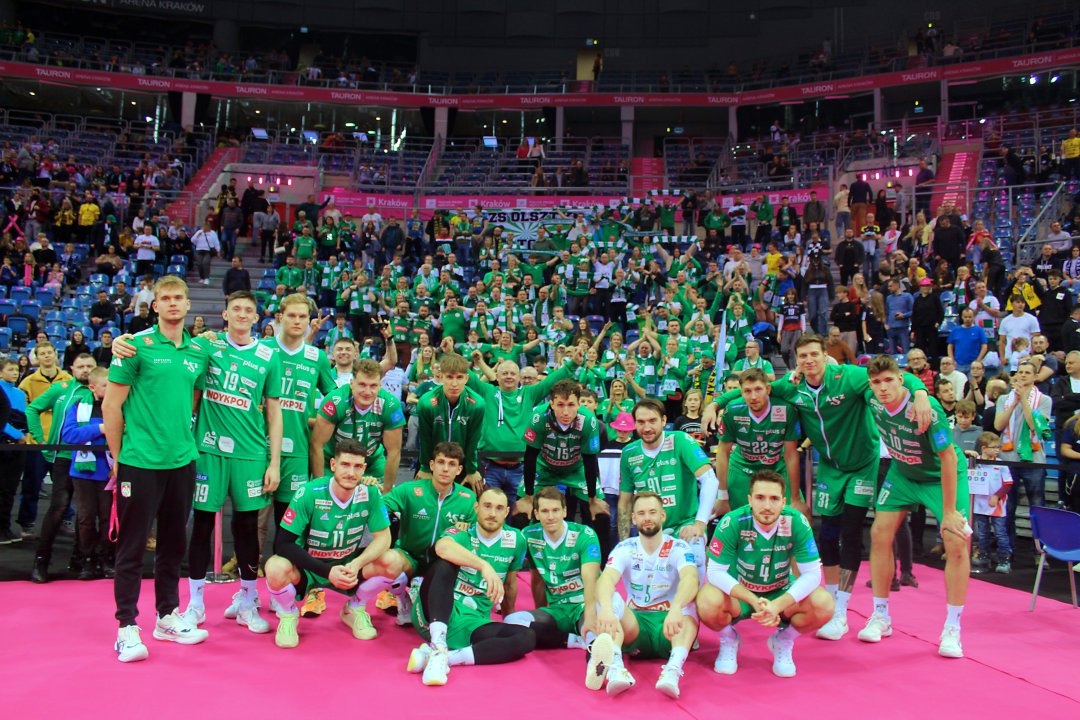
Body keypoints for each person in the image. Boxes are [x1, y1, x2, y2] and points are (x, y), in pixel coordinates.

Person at [702, 334, 933, 642]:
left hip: (862, 462)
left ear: (826, 355)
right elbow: (755, 388)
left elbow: (893, 376)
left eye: (814, 354)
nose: (809, 360)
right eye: (803, 356)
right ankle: (831, 605)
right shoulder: (792, 386)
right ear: (797, 361)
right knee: (827, 534)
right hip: (829, 465)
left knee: (852, 531)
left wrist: (920, 393)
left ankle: (843, 610)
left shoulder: (849, 376)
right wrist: (715, 403)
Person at [104, 276, 211, 662]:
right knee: (132, 546)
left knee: (173, 543)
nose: (172, 303)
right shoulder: (134, 346)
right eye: (165, 298)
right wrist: (119, 458)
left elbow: (193, 398)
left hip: (182, 461)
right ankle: (126, 626)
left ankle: (166, 616)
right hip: (139, 463)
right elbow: (111, 406)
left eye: (178, 297)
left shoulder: (198, 351)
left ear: (188, 304)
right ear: (155, 305)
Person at [859, 354, 970, 658]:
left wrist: (949, 512)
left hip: (939, 476)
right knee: (879, 533)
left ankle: (952, 627)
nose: (883, 387)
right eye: (876, 382)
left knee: (956, 542)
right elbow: (839, 372)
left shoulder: (927, 409)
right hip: (903, 473)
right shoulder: (871, 398)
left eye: (889, 380)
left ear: (900, 380)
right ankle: (881, 616)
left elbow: (948, 458)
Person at [696, 470, 833, 678]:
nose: (767, 506)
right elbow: (714, 572)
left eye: (774, 499)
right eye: (760, 498)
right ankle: (729, 639)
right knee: (706, 601)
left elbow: (813, 574)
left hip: (780, 591)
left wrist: (778, 604)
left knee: (824, 604)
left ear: (783, 502)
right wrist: (753, 600)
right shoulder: (732, 521)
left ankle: (783, 641)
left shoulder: (797, 521)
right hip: (740, 595)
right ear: (750, 500)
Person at [263, 440, 392, 648]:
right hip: (309, 568)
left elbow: (384, 538)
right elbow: (282, 544)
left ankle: (354, 609)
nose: (351, 472)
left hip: (349, 567)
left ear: (364, 469)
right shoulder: (309, 492)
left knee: (393, 561)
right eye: (345, 465)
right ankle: (288, 615)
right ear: (333, 464)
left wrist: (357, 564)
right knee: (274, 567)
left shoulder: (370, 492)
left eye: (357, 466)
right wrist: (326, 571)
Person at [405, 487, 534, 686]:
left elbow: (510, 584)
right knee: (444, 563)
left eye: (499, 508)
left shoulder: (516, 540)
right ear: (476, 508)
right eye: (487, 506)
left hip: (472, 622)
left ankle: (443, 657)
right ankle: (438, 642)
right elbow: (442, 547)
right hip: (435, 613)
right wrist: (484, 565)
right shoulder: (461, 532)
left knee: (526, 637)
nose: (492, 513)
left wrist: (508, 617)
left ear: (507, 512)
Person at [594, 492, 700, 699]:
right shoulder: (625, 548)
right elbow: (605, 579)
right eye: (641, 513)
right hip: (635, 626)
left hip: (669, 626)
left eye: (652, 512)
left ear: (663, 515)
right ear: (634, 518)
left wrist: (676, 608)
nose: (647, 518)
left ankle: (672, 671)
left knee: (691, 603)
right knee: (607, 598)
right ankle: (616, 669)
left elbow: (691, 578)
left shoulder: (679, 547)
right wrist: (606, 609)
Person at [362, 442, 477, 628]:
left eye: (452, 464)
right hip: (410, 558)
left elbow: (476, 536)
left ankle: (427, 595)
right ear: (432, 465)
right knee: (387, 559)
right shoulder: (410, 490)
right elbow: (379, 507)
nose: (445, 469)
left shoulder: (468, 499)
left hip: (442, 565)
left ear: (459, 470)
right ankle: (403, 599)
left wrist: (466, 530)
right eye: (441, 462)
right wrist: (370, 490)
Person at [504, 487, 604, 677]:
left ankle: (596, 665)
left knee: (593, 630)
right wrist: (541, 616)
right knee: (511, 621)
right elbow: (536, 578)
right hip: (558, 610)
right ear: (536, 514)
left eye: (555, 510)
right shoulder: (529, 535)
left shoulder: (585, 534)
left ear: (565, 511)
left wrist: (590, 616)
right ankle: (575, 640)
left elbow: (591, 581)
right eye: (545, 511)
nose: (550, 517)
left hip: (585, 605)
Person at [617, 398, 717, 578]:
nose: (647, 428)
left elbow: (710, 480)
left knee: (695, 558)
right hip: (649, 529)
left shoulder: (680, 440)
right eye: (641, 422)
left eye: (652, 421)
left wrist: (699, 524)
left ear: (664, 421)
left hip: (684, 526)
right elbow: (625, 502)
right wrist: (624, 542)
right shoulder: (628, 453)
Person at [467, 349, 577, 507]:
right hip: (490, 466)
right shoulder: (487, 391)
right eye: (504, 373)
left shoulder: (529, 394)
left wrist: (573, 364)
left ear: (519, 377)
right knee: (490, 510)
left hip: (521, 467)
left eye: (513, 373)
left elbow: (549, 382)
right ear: (497, 376)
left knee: (519, 511)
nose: (509, 376)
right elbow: (466, 376)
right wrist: (452, 353)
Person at [26, 353, 97, 583]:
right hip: (64, 457)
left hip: (92, 459)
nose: (85, 370)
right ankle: (41, 560)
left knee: (86, 512)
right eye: (81, 366)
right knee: (59, 507)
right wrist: (40, 439)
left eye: (90, 366)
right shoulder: (61, 389)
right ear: (72, 369)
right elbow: (32, 409)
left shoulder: (100, 390)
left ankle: (80, 559)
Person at [517, 380, 609, 554]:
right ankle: (522, 562)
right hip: (544, 467)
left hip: (576, 469)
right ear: (551, 404)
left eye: (571, 405)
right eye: (560, 405)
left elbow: (590, 460)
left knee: (601, 514)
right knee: (521, 513)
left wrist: (592, 498)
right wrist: (528, 496)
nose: (566, 412)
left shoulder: (589, 421)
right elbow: (530, 456)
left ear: (579, 404)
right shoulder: (538, 417)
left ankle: (602, 563)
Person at [715, 368, 804, 517]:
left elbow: (790, 454)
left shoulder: (785, 409)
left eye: (758, 389)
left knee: (793, 516)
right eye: (747, 391)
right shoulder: (733, 409)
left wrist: (795, 498)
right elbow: (723, 452)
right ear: (741, 392)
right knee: (738, 518)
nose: (753, 396)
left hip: (777, 466)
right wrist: (722, 496)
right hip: (743, 466)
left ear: (768, 389)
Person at [310, 358, 405, 493]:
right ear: (351, 383)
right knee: (327, 495)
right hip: (333, 459)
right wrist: (319, 489)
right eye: (362, 385)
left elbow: (394, 452)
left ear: (380, 386)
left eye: (373, 386)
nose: (367, 391)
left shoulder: (390, 406)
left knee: (381, 498)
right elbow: (317, 445)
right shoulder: (335, 401)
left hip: (371, 462)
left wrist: (386, 492)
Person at [59, 366, 114, 579]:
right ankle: (87, 560)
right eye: (105, 385)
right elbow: (69, 435)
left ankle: (107, 558)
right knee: (85, 518)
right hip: (83, 473)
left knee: (109, 519)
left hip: (110, 472)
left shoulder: (120, 405)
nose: (110, 389)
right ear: (92, 387)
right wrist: (100, 428)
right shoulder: (78, 406)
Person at [17, 341, 73, 541]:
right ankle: (27, 523)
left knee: (65, 486)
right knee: (31, 485)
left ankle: (65, 520)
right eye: (43, 353)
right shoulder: (28, 382)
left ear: (56, 355)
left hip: (62, 441)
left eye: (50, 352)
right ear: (37, 357)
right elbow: (23, 411)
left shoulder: (68, 379)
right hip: (37, 443)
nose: (47, 356)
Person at [993, 360, 1051, 544]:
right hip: (1007, 459)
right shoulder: (1004, 399)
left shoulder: (1044, 400)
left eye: (1027, 372)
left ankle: (1040, 549)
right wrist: (1013, 403)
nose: (1023, 375)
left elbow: (1035, 426)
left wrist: (1024, 400)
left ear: (1035, 377)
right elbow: (998, 425)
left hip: (1034, 460)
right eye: (1020, 372)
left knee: (1037, 505)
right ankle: (1008, 548)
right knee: (1008, 506)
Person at [417, 353, 485, 494]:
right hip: (432, 461)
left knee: (474, 497)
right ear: (441, 377)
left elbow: (473, 441)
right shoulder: (426, 403)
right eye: (449, 377)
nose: (454, 384)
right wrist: (425, 467)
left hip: (464, 462)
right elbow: (425, 439)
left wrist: (471, 470)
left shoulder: (477, 404)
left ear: (466, 378)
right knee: (420, 498)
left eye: (459, 377)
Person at [969, 432, 1013, 575]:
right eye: (994, 447)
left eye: (998, 447)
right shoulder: (974, 462)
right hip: (979, 504)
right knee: (982, 533)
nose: (997, 450)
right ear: (983, 448)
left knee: (1000, 533)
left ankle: (1004, 560)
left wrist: (997, 496)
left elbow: (1008, 484)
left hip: (997, 506)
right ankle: (984, 557)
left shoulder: (1001, 464)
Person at [0, 359, 30, 544]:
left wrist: (24, 436)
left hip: (18, 446)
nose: (15, 373)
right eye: (10, 369)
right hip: (4, 443)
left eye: (16, 370)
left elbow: (23, 419)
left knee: (10, 489)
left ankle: (5, 526)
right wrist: (18, 435)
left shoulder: (19, 393)